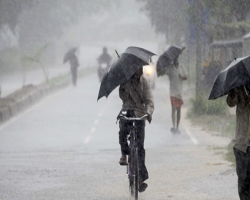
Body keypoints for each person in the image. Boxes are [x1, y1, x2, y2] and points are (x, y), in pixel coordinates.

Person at [118, 67, 154, 192]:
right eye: (137, 69)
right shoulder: (126, 80)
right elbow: (122, 97)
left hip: (140, 114)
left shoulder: (144, 82)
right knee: (122, 129)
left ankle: (140, 179)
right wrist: (125, 85)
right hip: (127, 110)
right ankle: (124, 153)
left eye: (141, 68)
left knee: (140, 147)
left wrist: (149, 113)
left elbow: (149, 101)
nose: (140, 70)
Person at [226, 84, 250, 200]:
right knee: (243, 181)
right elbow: (230, 103)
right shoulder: (239, 85)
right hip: (242, 143)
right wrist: (233, 91)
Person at [166, 58, 187, 134]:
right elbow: (165, 73)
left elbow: (186, 77)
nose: (175, 59)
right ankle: (174, 126)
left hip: (179, 92)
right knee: (173, 109)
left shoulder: (181, 67)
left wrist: (181, 76)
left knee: (178, 110)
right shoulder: (170, 68)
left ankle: (177, 127)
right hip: (172, 91)